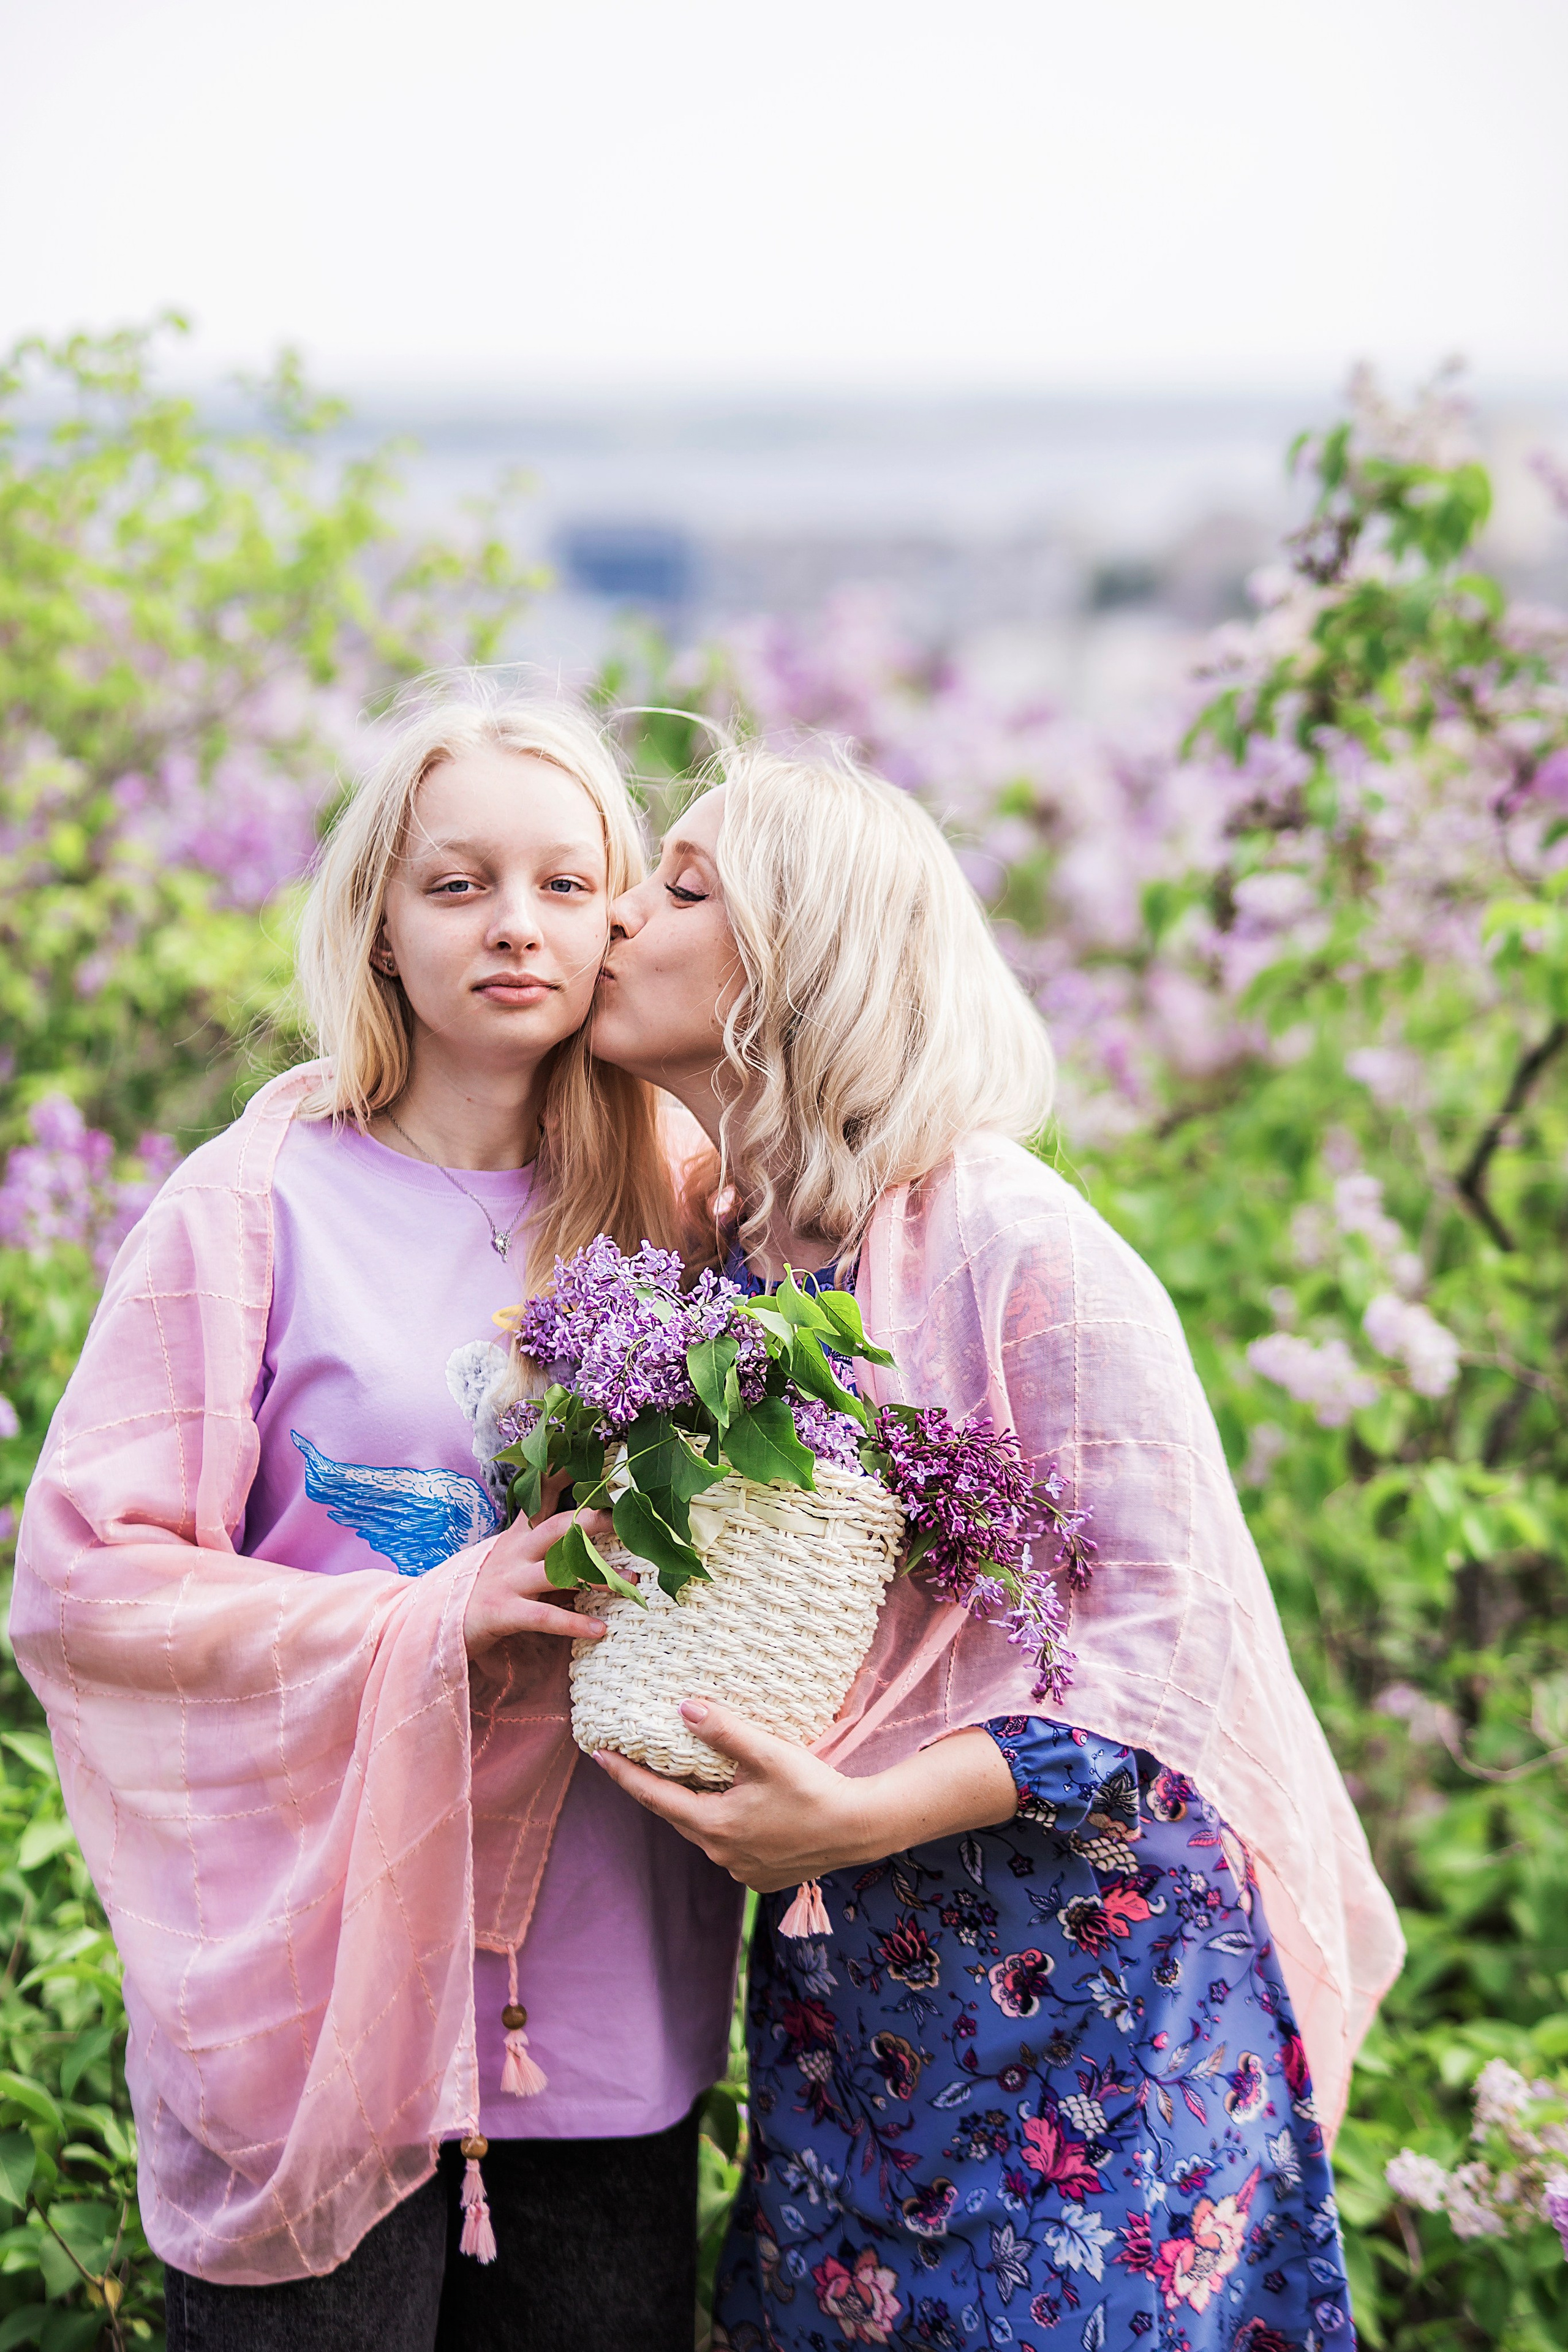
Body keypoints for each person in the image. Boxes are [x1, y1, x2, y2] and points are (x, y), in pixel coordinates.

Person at [589, 742, 1404, 2351]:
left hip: (1092, 1998)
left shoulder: (1011, 1236)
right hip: (866, 1990)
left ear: (797, 963)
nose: (616, 914)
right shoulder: (722, 1250)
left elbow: (1155, 1644)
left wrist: (853, 1811)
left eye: (680, 887)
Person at [12, 688, 744, 2352]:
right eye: (458, 884)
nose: (516, 928)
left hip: (595, 1992)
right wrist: (429, 1612)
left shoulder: (688, 1200)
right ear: (379, 924)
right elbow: (84, 1585)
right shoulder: (252, 1204)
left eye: (570, 886)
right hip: (314, 1998)